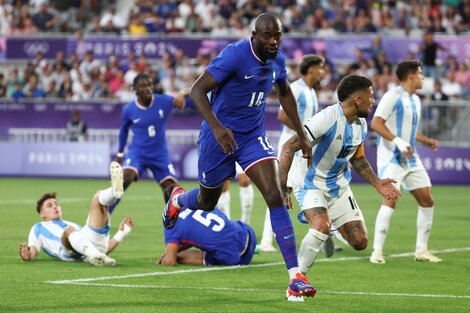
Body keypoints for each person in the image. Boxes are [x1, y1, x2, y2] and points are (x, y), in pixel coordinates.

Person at [162, 13, 316, 300]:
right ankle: (178, 200)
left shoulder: (278, 60)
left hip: (251, 137)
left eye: (277, 36)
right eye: (268, 36)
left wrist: (302, 133)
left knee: (274, 193)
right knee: (207, 203)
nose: (273, 41)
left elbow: (285, 94)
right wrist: (217, 127)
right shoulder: (234, 55)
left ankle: (295, 276)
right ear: (255, 35)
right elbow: (197, 91)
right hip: (217, 137)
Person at [279, 74, 401, 282]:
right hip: (310, 183)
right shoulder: (326, 119)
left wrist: (377, 183)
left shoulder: (361, 124)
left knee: (360, 242)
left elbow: (358, 159)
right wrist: (283, 187)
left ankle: (329, 229)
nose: (373, 100)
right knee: (320, 226)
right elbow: (288, 147)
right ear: (357, 100)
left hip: (339, 186)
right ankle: (296, 281)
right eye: (370, 96)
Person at [369, 60, 441, 264]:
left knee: (427, 199)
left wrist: (425, 140)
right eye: (419, 73)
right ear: (410, 75)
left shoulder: (415, 100)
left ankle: (421, 250)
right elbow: (376, 123)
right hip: (391, 157)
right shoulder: (392, 96)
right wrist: (398, 142)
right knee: (391, 198)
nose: (422, 77)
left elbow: (409, 129)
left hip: (411, 157)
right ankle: (377, 252)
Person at [259, 54, 325, 253]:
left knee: (314, 188)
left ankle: (324, 233)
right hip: (292, 149)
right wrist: (303, 134)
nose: (323, 72)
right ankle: (266, 240)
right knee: (280, 192)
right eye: (320, 68)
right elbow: (282, 115)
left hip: (303, 149)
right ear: (311, 69)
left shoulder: (311, 92)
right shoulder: (296, 88)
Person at [19, 162, 133, 266]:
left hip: (86, 247)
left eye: (56, 204)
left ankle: (114, 192)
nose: (55, 206)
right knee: (70, 230)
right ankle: (94, 255)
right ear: (42, 214)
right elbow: (32, 253)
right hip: (66, 251)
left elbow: (104, 247)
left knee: (98, 198)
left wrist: (121, 233)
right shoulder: (38, 228)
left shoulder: (71, 224)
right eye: (49, 206)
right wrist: (27, 255)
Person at [109, 73, 189, 214]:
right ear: (135, 89)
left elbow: (180, 100)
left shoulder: (163, 101)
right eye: (143, 86)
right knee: (124, 179)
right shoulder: (129, 110)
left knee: (172, 190)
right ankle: (105, 215)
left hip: (160, 155)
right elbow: (123, 131)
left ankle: (180, 221)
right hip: (138, 153)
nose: (147, 89)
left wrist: (182, 95)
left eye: (149, 85)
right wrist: (120, 153)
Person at [158, 184, 257, 266]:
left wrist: (170, 254)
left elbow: (169, 261)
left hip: (237, 257)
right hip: (249, 234)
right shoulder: (198, 201)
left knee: (180, 256)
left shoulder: (172, 224)